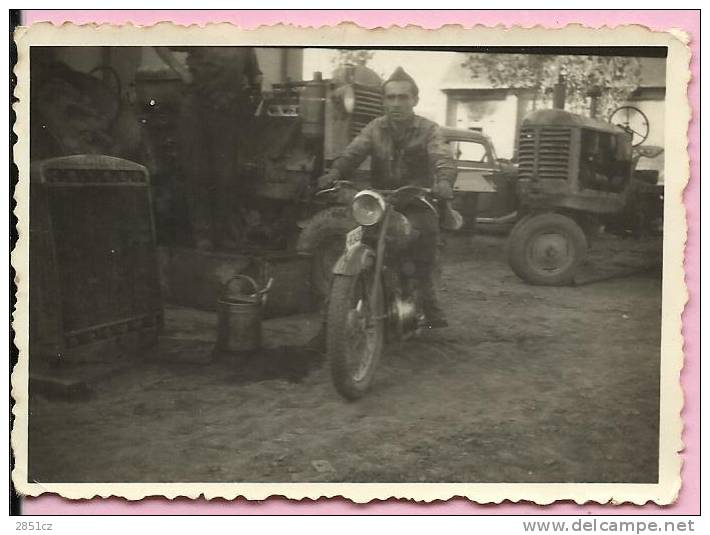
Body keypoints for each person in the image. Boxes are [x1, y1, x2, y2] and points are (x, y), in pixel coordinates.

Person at [317, 66, 457, 327]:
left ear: (415, 100)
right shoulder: (375, 128)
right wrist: (334, 172)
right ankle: (332, 321)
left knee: (423, 246)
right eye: (390, 97)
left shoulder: (430, 130)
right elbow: (353, 153)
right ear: (383, 101)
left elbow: (442, 157)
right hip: (380, 202)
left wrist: (444, 181)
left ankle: (428, 303)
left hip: (416, 201)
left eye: (403, 97)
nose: (396, 103)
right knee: (352, 244)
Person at [155, 46, 263, 250]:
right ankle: (202, 236)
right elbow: (160, 43)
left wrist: (256, 88)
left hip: (228, 111)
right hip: (197, 107)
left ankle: (227, 237)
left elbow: (255, 74)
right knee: (197, 172)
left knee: (227, 176)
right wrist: (183, 72)